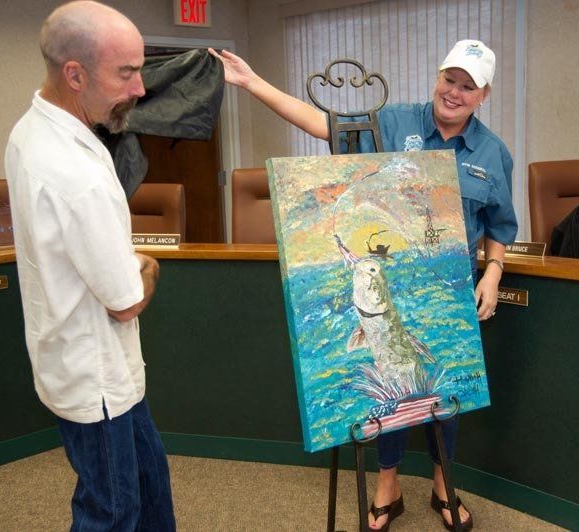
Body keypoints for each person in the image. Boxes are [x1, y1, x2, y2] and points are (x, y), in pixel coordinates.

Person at [210, 38, 517, 531]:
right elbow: (324, 125)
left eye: (468, 86)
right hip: (391, 279)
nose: (454, 92)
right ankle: (387, 485)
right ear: (438, 76)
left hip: (450, 289)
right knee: (389, 380)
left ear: (483, 95)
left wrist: (494, 272)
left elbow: (500, 225)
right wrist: (252, 83)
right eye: (449, 79)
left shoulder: (493, 152)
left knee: (447, 390)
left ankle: (444, 485)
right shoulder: (391, 122)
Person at [5, 2, 176, 530]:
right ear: (75, 75)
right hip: (95, 380)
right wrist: (147, 266)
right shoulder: (73, 173)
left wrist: (124, 263)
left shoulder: (31, 130)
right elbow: (126, 302)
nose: (139, 88)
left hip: (93, 368)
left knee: (149, 490)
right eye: (125, 73)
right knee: (113, 512)